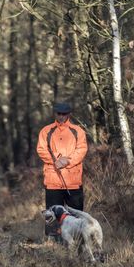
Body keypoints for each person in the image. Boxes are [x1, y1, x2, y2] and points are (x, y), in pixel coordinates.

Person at [37, 102, 88, 239]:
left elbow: (82, 149)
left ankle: (78, 241)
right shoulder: (46, 131)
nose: (61, 116)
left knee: (76, 215)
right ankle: (53, 243)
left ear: (69, 114)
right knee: (52, 215)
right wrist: (54, 161)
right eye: (58, 113)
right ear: (55, 114)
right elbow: (41, 149)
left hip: (73, 181)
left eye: (64, 114)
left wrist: (68, 161)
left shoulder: (78, 131)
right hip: (53, 180)